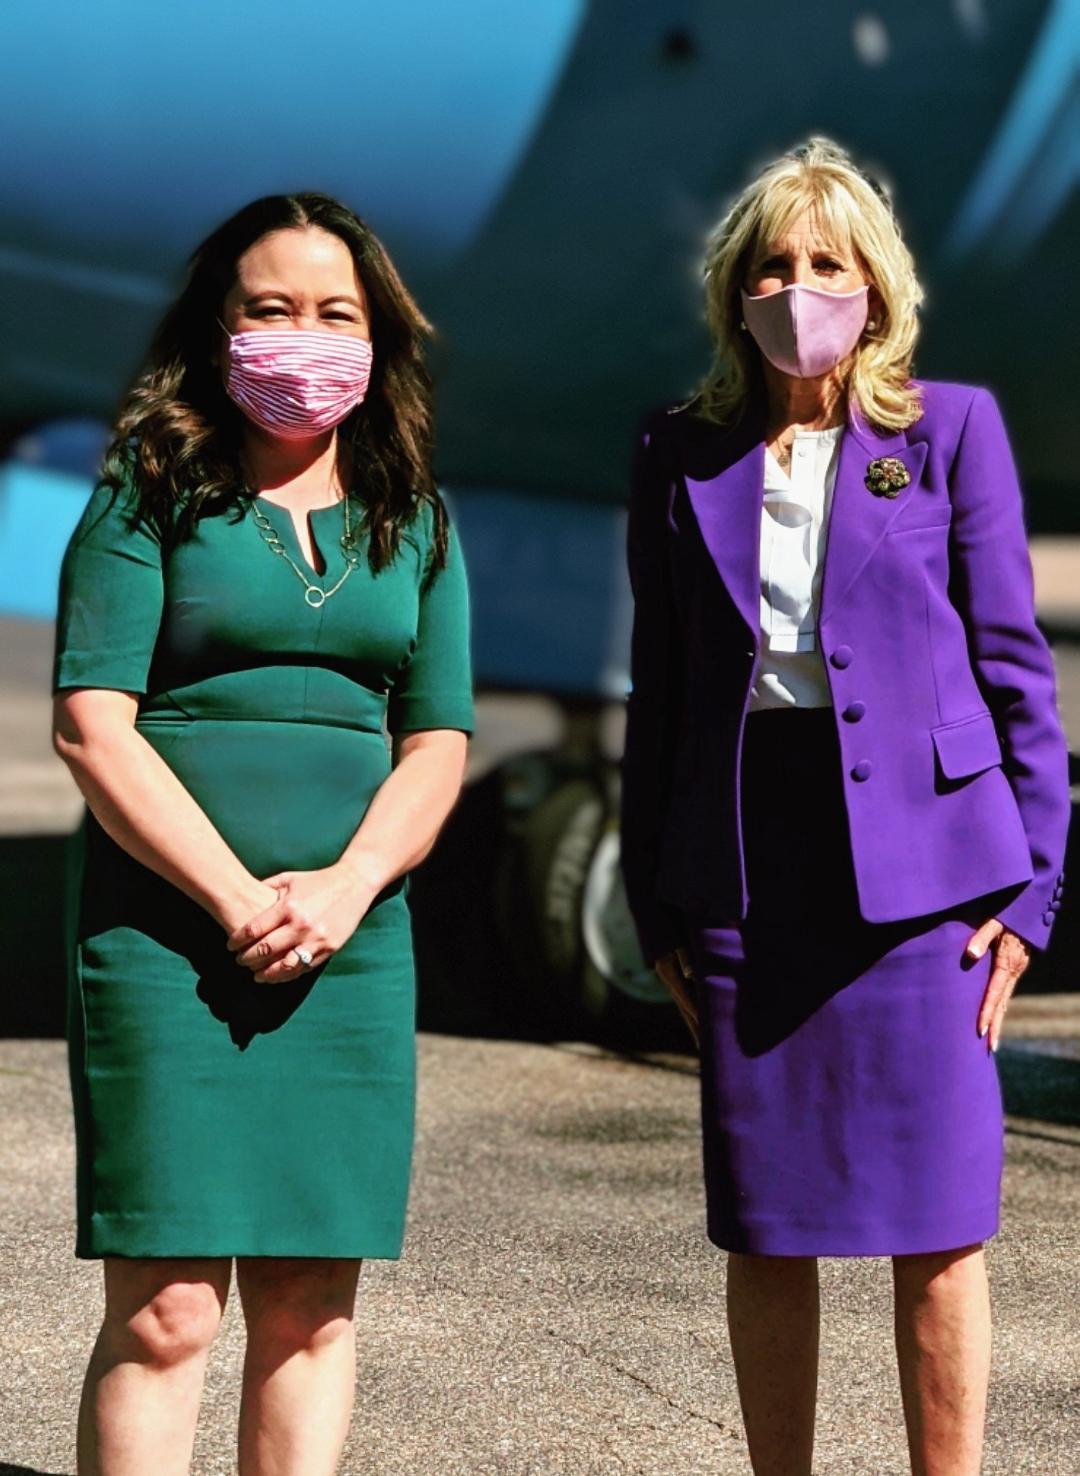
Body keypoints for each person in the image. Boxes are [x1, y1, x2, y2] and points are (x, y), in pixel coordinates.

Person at [619, 137, 1070, 1476]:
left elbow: (1015, 674)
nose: (798, 286)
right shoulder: (678, 449)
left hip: (926, 887)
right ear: (731, 292)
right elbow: (663, 694)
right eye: (771, 264)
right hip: (755, 867)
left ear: (874, 287)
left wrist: (1031, 896)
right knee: (767, 1229)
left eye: (827, 262)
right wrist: (659, 902)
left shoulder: (951, 430)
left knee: (940, 1234)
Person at [51, 191, 474, 1476]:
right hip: (168, 940)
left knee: (308, 1307)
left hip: (345, 951)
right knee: (170, 1308)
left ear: (379, 336)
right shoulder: (148, 491)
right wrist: (239, 898)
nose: (303, 335)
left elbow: (438, 742)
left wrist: (343, 891)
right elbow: (91, 726)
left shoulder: (417, 516)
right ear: (217, 329)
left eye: (335, 312)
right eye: (270, 309)